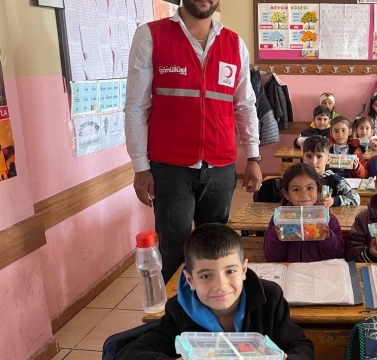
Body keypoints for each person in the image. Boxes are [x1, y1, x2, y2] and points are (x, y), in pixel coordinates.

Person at [124, 0, 263, 282]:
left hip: (221, 165)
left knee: (215, 248)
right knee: (174, 247)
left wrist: (253, 156)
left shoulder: (234, 43)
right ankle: (176, 316)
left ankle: (212, 313)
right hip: (169, 166)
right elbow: (136, 107)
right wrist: (140, 167)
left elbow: (245, 105)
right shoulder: (151, 36)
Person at [116, 223, 314, 360]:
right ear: (190, 280)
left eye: (230, 271)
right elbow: (129, 353)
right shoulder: (179, 310)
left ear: (244, 270)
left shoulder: (270, 299)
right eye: (205, 276)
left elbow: (302, 347)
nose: (220, 285)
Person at [263, 163, 345, 262]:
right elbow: (271, 258)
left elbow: (337, 256)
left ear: (318, 191)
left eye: (310, 188)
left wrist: (328, 238)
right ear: (287, 194)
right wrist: (276, 236)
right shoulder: (279, 219)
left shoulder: (328, 219)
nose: (304, 194)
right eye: (296, 189)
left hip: (318, 273)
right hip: (290, 272)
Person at [301, 135, 361, 206]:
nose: (313, 161)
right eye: (309, 156)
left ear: (328, 159)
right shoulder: (297, 179)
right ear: (303, 158)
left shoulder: (334, 180)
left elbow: (356, 198)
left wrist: (334, 201)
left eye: (319, 156)